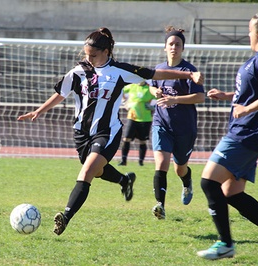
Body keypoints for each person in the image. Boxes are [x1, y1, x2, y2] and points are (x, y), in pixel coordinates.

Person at [17, 27, 204, 236]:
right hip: (81, 133)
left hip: (107, 132)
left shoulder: (119, 71)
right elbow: (61, 94)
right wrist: (39, 111)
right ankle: (124, 180)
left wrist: (188, 74)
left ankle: (65, 217)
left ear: (106, 52)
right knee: (96, 171)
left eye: (93, 55)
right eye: (86, 54)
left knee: (87, 172)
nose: (89, 58)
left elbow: (155, 73)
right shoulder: (78, 71)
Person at [196, 1, 258, 262]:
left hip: (246, 133)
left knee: (208, 182)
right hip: (248, 132)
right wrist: (228, 96)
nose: (248, 34)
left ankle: (225, 243)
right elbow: (252, 92)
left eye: (250, 30)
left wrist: (247, 108)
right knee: (232, 194)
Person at [149, 26, 205, 220]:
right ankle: (160, 206)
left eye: (177, 44)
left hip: (184, 128)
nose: (174, 47)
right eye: (170, 44)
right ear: (165, 47)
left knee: (179, 168)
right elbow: (151, 86)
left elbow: (199, 97)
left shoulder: (189, 71)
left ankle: (187, 181)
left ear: (183, 48)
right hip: (161, 123)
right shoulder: (158, 69)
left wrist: (175, 100)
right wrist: (154, 92)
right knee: (161, 163)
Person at [118, 81, 155, 166]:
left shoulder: (149, 88)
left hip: (145, 119)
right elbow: (120, 89)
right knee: (126, 138)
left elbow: (159, 96)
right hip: (132, 117)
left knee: (142, 141)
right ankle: (123, 161)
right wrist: (125, 102)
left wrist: (153, 106)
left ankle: (141, 162)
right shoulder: (132, 86)